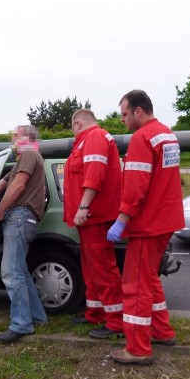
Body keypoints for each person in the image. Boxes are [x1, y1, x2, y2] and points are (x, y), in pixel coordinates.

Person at [106, 90, 185, 365]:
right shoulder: (167, 134)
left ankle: (138, 348)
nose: (123, 120)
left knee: (135, 285)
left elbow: (136, 186)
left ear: (138, 111)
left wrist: (121, 220)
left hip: (147, 223)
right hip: (167, 218)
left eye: (124, 114)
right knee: (150, 278)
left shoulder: (142, 138)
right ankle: (162, 331)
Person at [63, 109, 124, 338]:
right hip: (90, 220)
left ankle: (116, 322)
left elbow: (94, 174)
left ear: (78, 123)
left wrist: (83, 207)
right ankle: (96, 312)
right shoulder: (87, 141)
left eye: (72, 127)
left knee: (103, 269)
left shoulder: (94, 137)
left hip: (95, 217)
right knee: (91, 268)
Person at [0, 125, 47, 343]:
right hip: (23, 218)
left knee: (11, 273)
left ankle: (21, 324)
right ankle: (36, 316)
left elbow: (17, 186)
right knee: (21, 272)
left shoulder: (29, 154)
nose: (13, 142)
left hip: (19, 217)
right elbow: (2, 184)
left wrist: (0, 209)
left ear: (26, 138)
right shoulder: (22, 161)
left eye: (15, 137)